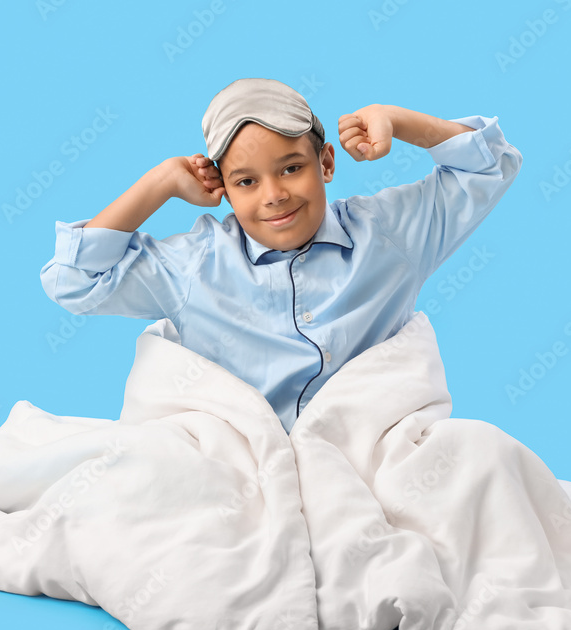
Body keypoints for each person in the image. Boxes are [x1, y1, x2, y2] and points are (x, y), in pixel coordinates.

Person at [40, 78, 522, 433]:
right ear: (224, 190)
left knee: (481, 456)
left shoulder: (387, 234)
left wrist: (399, 120)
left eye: (291, 168)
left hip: (368, 458)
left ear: (326, 163)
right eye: (246, 181)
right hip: (238, 471)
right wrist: (160, 183)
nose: (273, 195)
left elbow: (488, 168)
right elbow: (73, 280)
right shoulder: (196, 265)